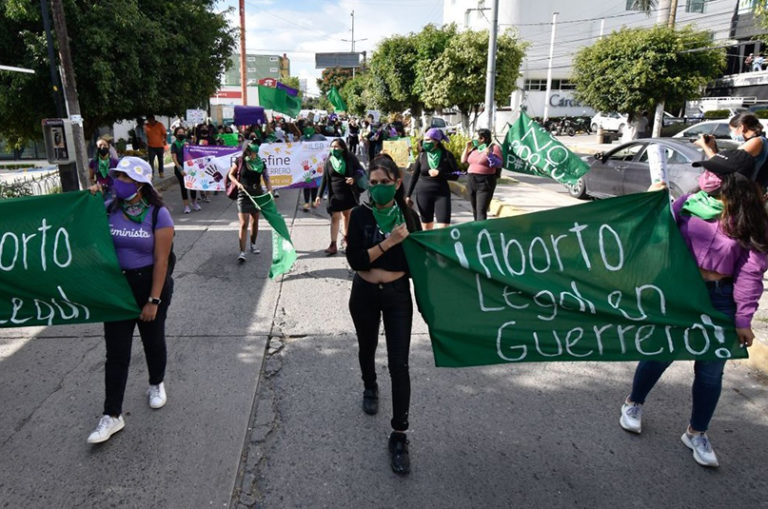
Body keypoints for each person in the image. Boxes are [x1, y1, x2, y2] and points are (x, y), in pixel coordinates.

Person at [619, 149, 768, 468]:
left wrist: (743, 318)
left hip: (720, 300)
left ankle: (697, 432)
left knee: (711, 372)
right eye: (707, 172)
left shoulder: (749, 220)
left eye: (715, 173)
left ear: (734, 184)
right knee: (659, 354)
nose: (707, 177)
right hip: (681, 293)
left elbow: (750, 272)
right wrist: (653, 203)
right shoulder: (686, 204)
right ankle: (633, 403)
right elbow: (655, 233)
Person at [86, 157, 174, 444]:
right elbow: (85, 231)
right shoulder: (108, 207)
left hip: (149, 284)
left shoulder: (158, 213)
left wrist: (153, 300)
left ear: (139, 183)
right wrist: (88, 201)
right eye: (118, 177)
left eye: (124, 178)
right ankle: (111, 415)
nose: (118, 182)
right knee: (117, 352)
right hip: (117, 289)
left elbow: (162, 261)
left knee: (153, 340)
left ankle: (156, 383)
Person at [346, 153, 422, 475]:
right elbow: (356, 260)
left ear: (397, 183)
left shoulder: (409, 215)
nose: (377, 188)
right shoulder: (360, 215)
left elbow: (421, 262)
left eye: (384, 183)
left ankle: (400, 434)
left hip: (396, 298)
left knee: (399, 363)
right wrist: (389, 242)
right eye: (373, 183)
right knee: (366, 348)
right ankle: (369, 385)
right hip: (364, 293)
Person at [315, 138, 364, 255]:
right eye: (332, 147)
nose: (334, 149)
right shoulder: (329, 160)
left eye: (336, 147)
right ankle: (333, 244)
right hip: (334, 195)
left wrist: (354, 179)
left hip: (348, 193)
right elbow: (325, 179)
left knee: (347, 216)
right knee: (335, 218)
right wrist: (319, 195)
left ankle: (347, 240)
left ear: (342, 148)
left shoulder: (350, 157)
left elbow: (360, 171)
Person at [228, 139, 273, 263]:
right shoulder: (240, 161)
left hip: (257, 194)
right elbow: (230, 174)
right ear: (247, 151)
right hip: (243, 194)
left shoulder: (261, 164)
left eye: (254, 152)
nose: (252, 154)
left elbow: (267, 179)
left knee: (255, 221)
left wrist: (270, 192)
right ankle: (242, 252)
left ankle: (253, 244)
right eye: (251, 152)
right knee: (244, 223)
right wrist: (237, 184)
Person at [405, 128, 458, 230]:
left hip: (442, 193)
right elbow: (414, 176)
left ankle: (441, 245)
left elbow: (456, 174)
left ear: (436, 141)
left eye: (429, 140)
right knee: (426, 227)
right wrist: (408, 195)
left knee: (443, 227)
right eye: (425, 139)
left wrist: (441, 173)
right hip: (423, 194)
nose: (425, 142)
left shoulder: (447, 155)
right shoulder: (422, 155)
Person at [696, 112, 768, 178]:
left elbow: (721, 164)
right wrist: (712, 147)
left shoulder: (756, 141)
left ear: (742, 127)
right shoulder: (757, 140)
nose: (732, 134)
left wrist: (704, 146)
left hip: (746, 188)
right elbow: (725, 160)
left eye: (732, 130)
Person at [461, 129, 503, 221]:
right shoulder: (475, 148)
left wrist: (490, 156)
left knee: (481, 210)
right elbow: (463, 160)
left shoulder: (493, 148)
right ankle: (477, 230)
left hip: (485, 181)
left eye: (475, 137)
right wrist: (467, 147)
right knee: (475, 209)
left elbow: (499, 163)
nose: (473, 139)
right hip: (471, 180)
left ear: (482, 138)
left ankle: (481, 231)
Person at [170, 126, 200, 214]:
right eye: (179, 133)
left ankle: (194, 203)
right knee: (183, 187)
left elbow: (195, 152)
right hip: (180, 169)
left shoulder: (188, 142)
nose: (181, 134)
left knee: (193, 186)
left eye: (182, 132)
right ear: (175, 134)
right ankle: (186, 206)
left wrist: (192, 144)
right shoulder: (174, 144)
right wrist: (180, 169)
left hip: (191, 169)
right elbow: (174, 158)